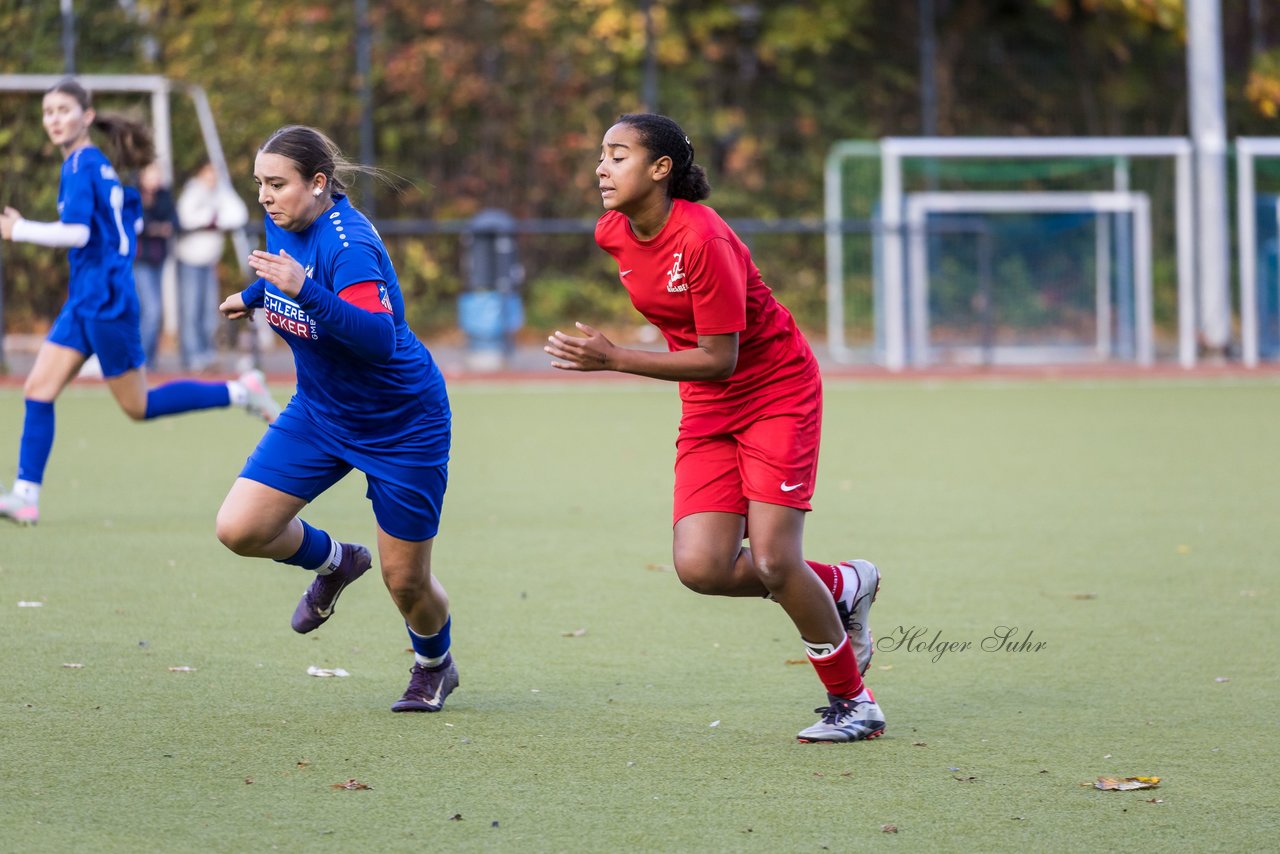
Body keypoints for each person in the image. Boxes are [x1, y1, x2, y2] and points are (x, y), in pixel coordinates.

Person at [545, 113, 886, 743]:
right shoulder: (612, 231)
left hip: (776, 390)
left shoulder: (705, 239)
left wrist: (615, 357)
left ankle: (854, 702)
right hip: (709, 406)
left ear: (661, 169)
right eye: (601, 155)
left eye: (618, 155)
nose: (601, 167)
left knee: (777, 560)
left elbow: (721, 356)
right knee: (701, 566)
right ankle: (842, 583)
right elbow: (704, 366)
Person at [214, 125, 457, 714]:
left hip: (402, 424)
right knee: (240, 529)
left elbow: (375, 336)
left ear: (318, 184)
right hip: (321, 413)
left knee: (405, 582)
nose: (266, 197)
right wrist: (253, 295)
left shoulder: (350, 246)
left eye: (277, 184)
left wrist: (302, 289)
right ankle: (334, 560)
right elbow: (289, 268)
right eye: (260, 186)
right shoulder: (288, 218)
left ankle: (433, 666)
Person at [0, 78, 280, 527]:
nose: (54, 119)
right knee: (38, 389)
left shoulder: (83, 165)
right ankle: (26, 496)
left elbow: (80, 233)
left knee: (139, 406)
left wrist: (20, 230)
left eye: (63, 110)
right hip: (86, 298)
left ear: (86, 116)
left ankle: (240, 391)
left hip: (107, 300)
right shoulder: (83, 164)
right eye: (48, 112)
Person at [175, 159, 249, 371]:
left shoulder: (220, 192)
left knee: (209, 310)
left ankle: (206, 355)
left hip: (209, 261)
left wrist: (213, 219)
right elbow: (186, 218)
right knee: (191, 310)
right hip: (190, 260)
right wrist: (212, 218)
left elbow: (238, 214)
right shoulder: (193, 192)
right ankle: (192, 357)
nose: (212, 177)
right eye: (208, 172)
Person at [134, 161, 177, 369]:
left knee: (154, 312)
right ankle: (140, 361)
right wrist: (156, 227)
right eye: (151, 174)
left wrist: (156, 227)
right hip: (139, 261)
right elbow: (140, 225)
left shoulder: (163, 195)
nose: (155, 179)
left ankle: (148, 362)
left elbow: (174, 221)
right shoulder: (133, 195)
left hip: (159, 259)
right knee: (151, 310)